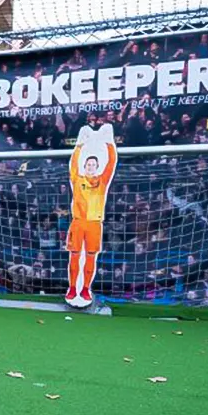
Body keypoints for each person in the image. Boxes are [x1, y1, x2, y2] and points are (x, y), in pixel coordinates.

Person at [66, 124, 117, 306]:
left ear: (96, 167)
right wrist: (79, 146)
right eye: (88, 164)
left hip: (95, 224)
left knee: (90, 257)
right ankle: (73, 287)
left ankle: (86, 288)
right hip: (78, 223)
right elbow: (73, 163)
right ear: (85, 166)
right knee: (74, 256)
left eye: (93, 165)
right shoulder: (77, 179)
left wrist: (110, 144)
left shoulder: (102, 181)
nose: (90, 167)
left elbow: (111, 164)